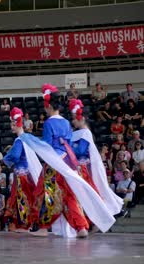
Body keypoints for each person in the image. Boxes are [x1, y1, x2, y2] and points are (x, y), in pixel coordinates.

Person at [28, 84, 115, 238]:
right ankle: (80, 226)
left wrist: (34, 142)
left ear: (47, 106)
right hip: (67, 161)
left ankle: (43, 227)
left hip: (53, 162)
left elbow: (47, 145)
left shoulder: (49, 123)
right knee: (69, 194)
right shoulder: (66, 123)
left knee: (44, 192)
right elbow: (67, 143)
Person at [69, 99, 123, 218]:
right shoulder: (80, 132)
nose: (72, 121)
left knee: (88, 193)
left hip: (83, 169)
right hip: (80, 167)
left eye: (74, 118)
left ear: (81, 118)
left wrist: (68, 146)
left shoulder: (85, 133)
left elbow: (81, 151)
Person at [3, 107, 42, 233]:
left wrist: (5, 158)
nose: (11, 126)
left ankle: (24, 225)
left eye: (13, 124)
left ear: (17, 124)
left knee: (22, 198)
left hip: (21, 174)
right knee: (25, 197)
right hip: (26, 172)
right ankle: (27, 223)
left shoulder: (19, 140)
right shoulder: (27, 138)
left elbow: (15, 155)